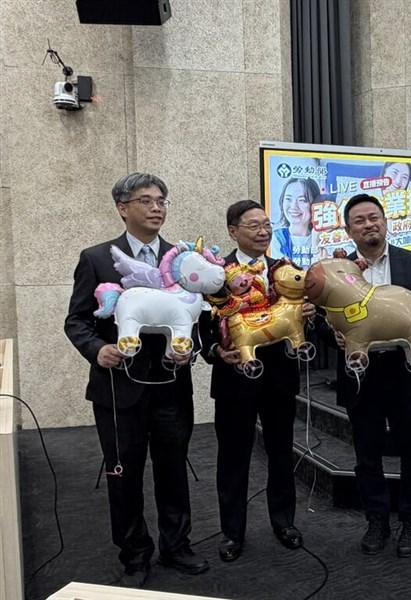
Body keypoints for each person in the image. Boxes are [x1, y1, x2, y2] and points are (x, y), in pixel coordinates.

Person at [64, 173, 209, 588]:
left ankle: (177, 546)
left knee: (173, 469)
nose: (157, 207)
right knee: (123, 474)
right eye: (146, 200)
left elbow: (196, 317)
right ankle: (134, 554)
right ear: (122, 208)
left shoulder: (183, 260)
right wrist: (97, 349)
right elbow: (77, 320)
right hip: (117, 388)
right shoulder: (96, 258)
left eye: (162, 200)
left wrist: (191, 349)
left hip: (171, 385)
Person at [321, 193, 411, 558]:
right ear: (348, 230)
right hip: (361, 373)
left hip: (405, 368)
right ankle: (376, 520)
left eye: (374, 217)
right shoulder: (334, 271)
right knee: (367, 454)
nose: (369, 224)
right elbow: (320, 319)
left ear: (385, 222)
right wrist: (333, 335)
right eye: (359, 220)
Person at [199, 200, 316, 562]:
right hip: (234, 378)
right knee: (233, 458)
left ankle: (284, 522)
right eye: (254, 226)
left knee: (281, 453)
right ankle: (232, 533)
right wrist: (216, 350)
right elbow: (200, 326)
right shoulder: (214, 273)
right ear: (233, 231)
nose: (263, 231)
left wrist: (308, 314)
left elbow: (299, 319)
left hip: (279, 378)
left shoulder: (286, 270)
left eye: (267, 224)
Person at [270, 178, 322, 268]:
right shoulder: (277, 237)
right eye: (288, 199)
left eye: (302, 200)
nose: (294, 206)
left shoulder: (323, 238)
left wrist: (316, 242)